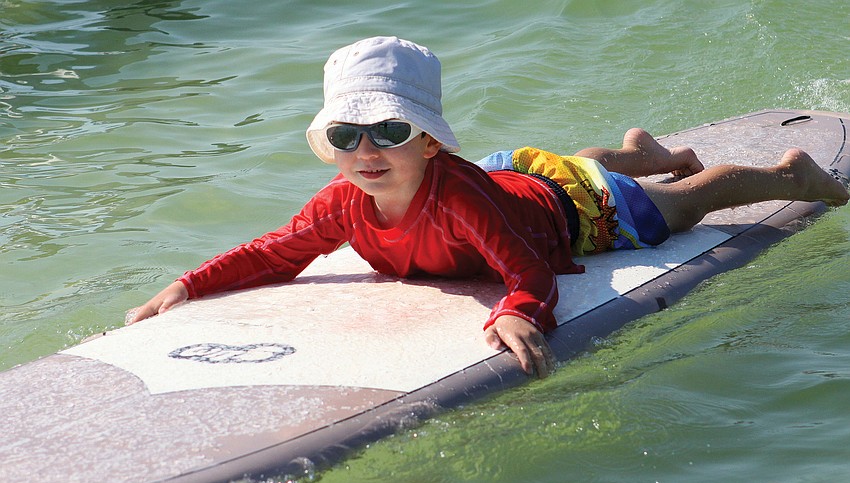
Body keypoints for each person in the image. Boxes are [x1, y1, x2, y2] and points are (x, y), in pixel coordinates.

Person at [128, 36, 849, 377]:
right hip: (512, 177)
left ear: (430, 143)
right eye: (347, 135)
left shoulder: (461, 198)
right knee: (567, 164)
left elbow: (530, 273)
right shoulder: (343, 204)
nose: (367, 150)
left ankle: (791, 174)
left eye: (391, 131)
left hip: (561, 210)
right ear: (331, 146)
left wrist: (514, 312)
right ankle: (649, 149)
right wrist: (194, 282)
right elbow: (271, 251)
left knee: (682, 206)